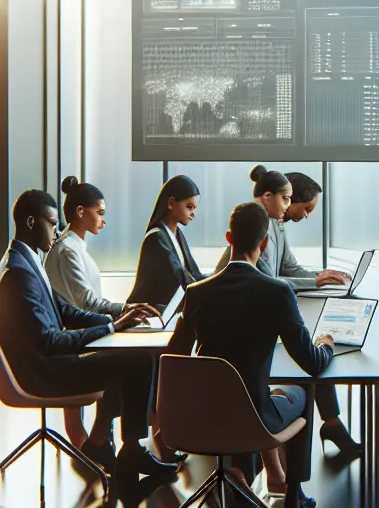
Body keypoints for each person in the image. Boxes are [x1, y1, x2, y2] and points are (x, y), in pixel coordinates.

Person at [0, 188, 176, 482]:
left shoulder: (25, 259)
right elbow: (49, 341)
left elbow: (64, 310)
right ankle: (129, 453)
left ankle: (105, 444)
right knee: (139, 363)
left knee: (131, 361)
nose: (56, 231)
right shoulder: (20, 272)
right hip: (41, 372)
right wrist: (110, 328)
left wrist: (113, 320)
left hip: (45, 361)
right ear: (30, 223)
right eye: (51, 224)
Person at [167, 202, 336, 508]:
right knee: (304, 388)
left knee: (255, 392)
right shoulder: (276, 292)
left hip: (198, 415)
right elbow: (310, 362)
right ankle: (293, 491)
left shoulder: (198, 293)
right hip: (254, 419)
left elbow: (173, 357)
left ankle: (251, 475)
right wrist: (326, 345)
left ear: (228, 239)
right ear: (264, 243)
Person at [42, 176, 140, 458]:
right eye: (100, 213)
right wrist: (124, 310)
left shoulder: (74, 247)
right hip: (74, 337)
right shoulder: (67, 251)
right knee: (128, 365)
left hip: (79, 329)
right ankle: (100, 444)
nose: (103, 220)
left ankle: (103, 443)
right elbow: (87, 301)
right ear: (81, 212)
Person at [215, 166, 347, 290]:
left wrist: (322, 275)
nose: (306, 216)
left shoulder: (277, 225)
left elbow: (289, 268)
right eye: (306, 209)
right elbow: (268, 281)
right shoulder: (261, 228)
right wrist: (315, 281)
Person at [129, 174, 205, 307]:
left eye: (194, 209)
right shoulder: (156, 238)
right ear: (171, 203)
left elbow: (194, 275)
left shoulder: (177, 234)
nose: (193, 214)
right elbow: (180, 280)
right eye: (189, 207)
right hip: (147, 315)